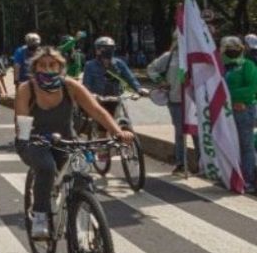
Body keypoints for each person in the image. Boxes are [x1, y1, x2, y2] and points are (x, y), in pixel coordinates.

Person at [14, 47, 134, 239]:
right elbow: (21, 121)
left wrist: (117, 132)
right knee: (45, 167)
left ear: (61, 67)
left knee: (82, 175)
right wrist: (28, 140)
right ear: (35, 68)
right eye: (42, 65)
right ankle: (40, 216)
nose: (47, 69)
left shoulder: (70, 86)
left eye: (52, 65)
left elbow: (97, 110)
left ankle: (85, 214)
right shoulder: (26, 88)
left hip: (66, 140)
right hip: (34, 140)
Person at [147, 37, 198, 174]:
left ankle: (201, 163)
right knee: (180, 133)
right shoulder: (169, 56)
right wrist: (161, 80)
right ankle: (181, 163)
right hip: (176, 100)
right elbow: (152, 69)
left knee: (197, 133)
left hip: (195, 102)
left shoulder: (198, 55)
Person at [221, 36, 257, 192]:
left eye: (234, 48)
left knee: (246, 145)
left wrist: (229, 96)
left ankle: (248, 179)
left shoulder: (248, 65)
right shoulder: (223, 67)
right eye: (228, 48)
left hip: (244, 110)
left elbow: (251, 88)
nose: (231, 50)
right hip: (227, 112)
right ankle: (233, 176)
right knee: (231, 144)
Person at [82, 36, 149, 117]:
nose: (107, 51)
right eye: (104, 48)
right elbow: (86, 84)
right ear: (97, 50)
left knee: (124, 120)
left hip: (117, 98)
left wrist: (139, 89)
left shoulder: (119, 63)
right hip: (98, 100)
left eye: (110, 48)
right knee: (99, 124)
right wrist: (89, 95)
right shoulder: (90, 65)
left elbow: (130, 78)